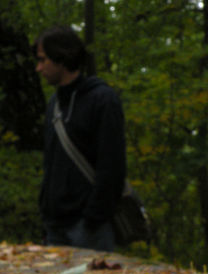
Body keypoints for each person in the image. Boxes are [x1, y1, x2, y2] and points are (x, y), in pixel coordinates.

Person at [33, 26, 126, 252]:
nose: (39, 68)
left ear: (61, 59)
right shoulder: (55, 104)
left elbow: (112, 166)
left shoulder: (102, 100)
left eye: (43, 60)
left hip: (89, 229)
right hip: (55, 227)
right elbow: (51, 165)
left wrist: (93, 218)